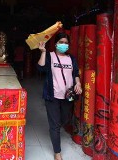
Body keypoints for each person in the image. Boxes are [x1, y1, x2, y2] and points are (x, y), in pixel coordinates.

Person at [37, 32, 82, 160]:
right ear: (56, 44)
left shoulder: (71, 59)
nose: (64, 45)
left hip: (68, 96)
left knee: (65, 120)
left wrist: (78, 84)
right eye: (61, 42)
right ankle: (57, 153)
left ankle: (54, 130)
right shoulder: (50, 56)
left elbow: (75, 73)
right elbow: (41, 68)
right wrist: (43, 52)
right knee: (55, 124)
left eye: (66, 43)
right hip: (52, 96)